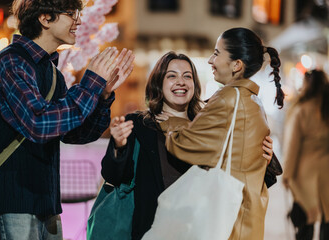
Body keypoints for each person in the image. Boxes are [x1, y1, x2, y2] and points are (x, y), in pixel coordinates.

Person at [0, 0, 135, 239]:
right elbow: (39, 124)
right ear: (45, 18)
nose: (79, 21)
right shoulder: (12, 62)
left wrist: (102, 96)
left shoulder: (52, 73)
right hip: (12, 203)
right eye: (71, 14)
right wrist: (90, 83)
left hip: (46, 203)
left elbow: (75, 134)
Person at [100, 51, 275, 240]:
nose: (180, 82)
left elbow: (247, 177)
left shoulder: (213, 122)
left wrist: (264, 157)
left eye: (187, 76)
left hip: (201, 229)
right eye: (171, 76)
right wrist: (118, 146)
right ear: (158, 83)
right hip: (151, 229)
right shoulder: (138, 124)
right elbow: (113, 177)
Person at [159, 28, 285, 239]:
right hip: (246, 216)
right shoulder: (252, 100)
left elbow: (184, 144)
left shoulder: (228, 99)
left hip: (228, 221)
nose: (211, 60)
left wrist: (169, 121)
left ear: (237, 65)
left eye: (217, 53)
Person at [282, 70, 329, 240]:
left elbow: (292, 146)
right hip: (326, 172)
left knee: (305, 220)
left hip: (304, 173)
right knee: (326, 218)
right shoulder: (326, 109)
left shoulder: (301, 110)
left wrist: (286, 174)